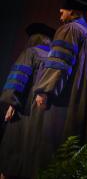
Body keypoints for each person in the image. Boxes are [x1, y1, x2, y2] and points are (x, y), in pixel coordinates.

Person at [32, 0, 87, 172]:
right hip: (86, 100)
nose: (60, 16)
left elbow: (60, 62)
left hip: (66, 99)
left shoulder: (69, 29)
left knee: (55, 150)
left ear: (72, 11)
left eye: (62, 12)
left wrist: (44, 90)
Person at [0, 23, 54, 178]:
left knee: (11, 153)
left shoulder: (30, 52)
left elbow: (18, 78)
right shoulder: (54, 58)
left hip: (22, 112)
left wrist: (11, 102)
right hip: (42, 115)